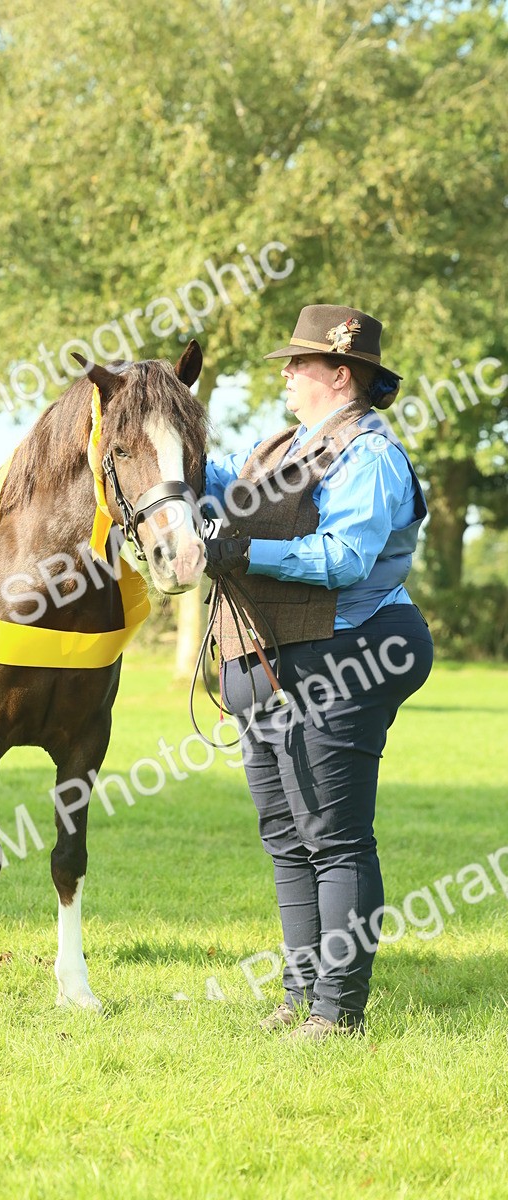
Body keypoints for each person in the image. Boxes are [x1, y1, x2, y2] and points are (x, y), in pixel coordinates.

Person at [203, 304, 434, 1040]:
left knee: (334, 836)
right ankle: (300, 993)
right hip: (279, 653)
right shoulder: (281, 445)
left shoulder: (370, 455)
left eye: (298, 363)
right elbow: (222, 485)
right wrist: (165, 436)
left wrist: (244, 553)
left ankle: (337, 1011)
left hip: (352, 648)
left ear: (340, 374)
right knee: (285, 833)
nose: (287, 374)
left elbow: (344, 558)